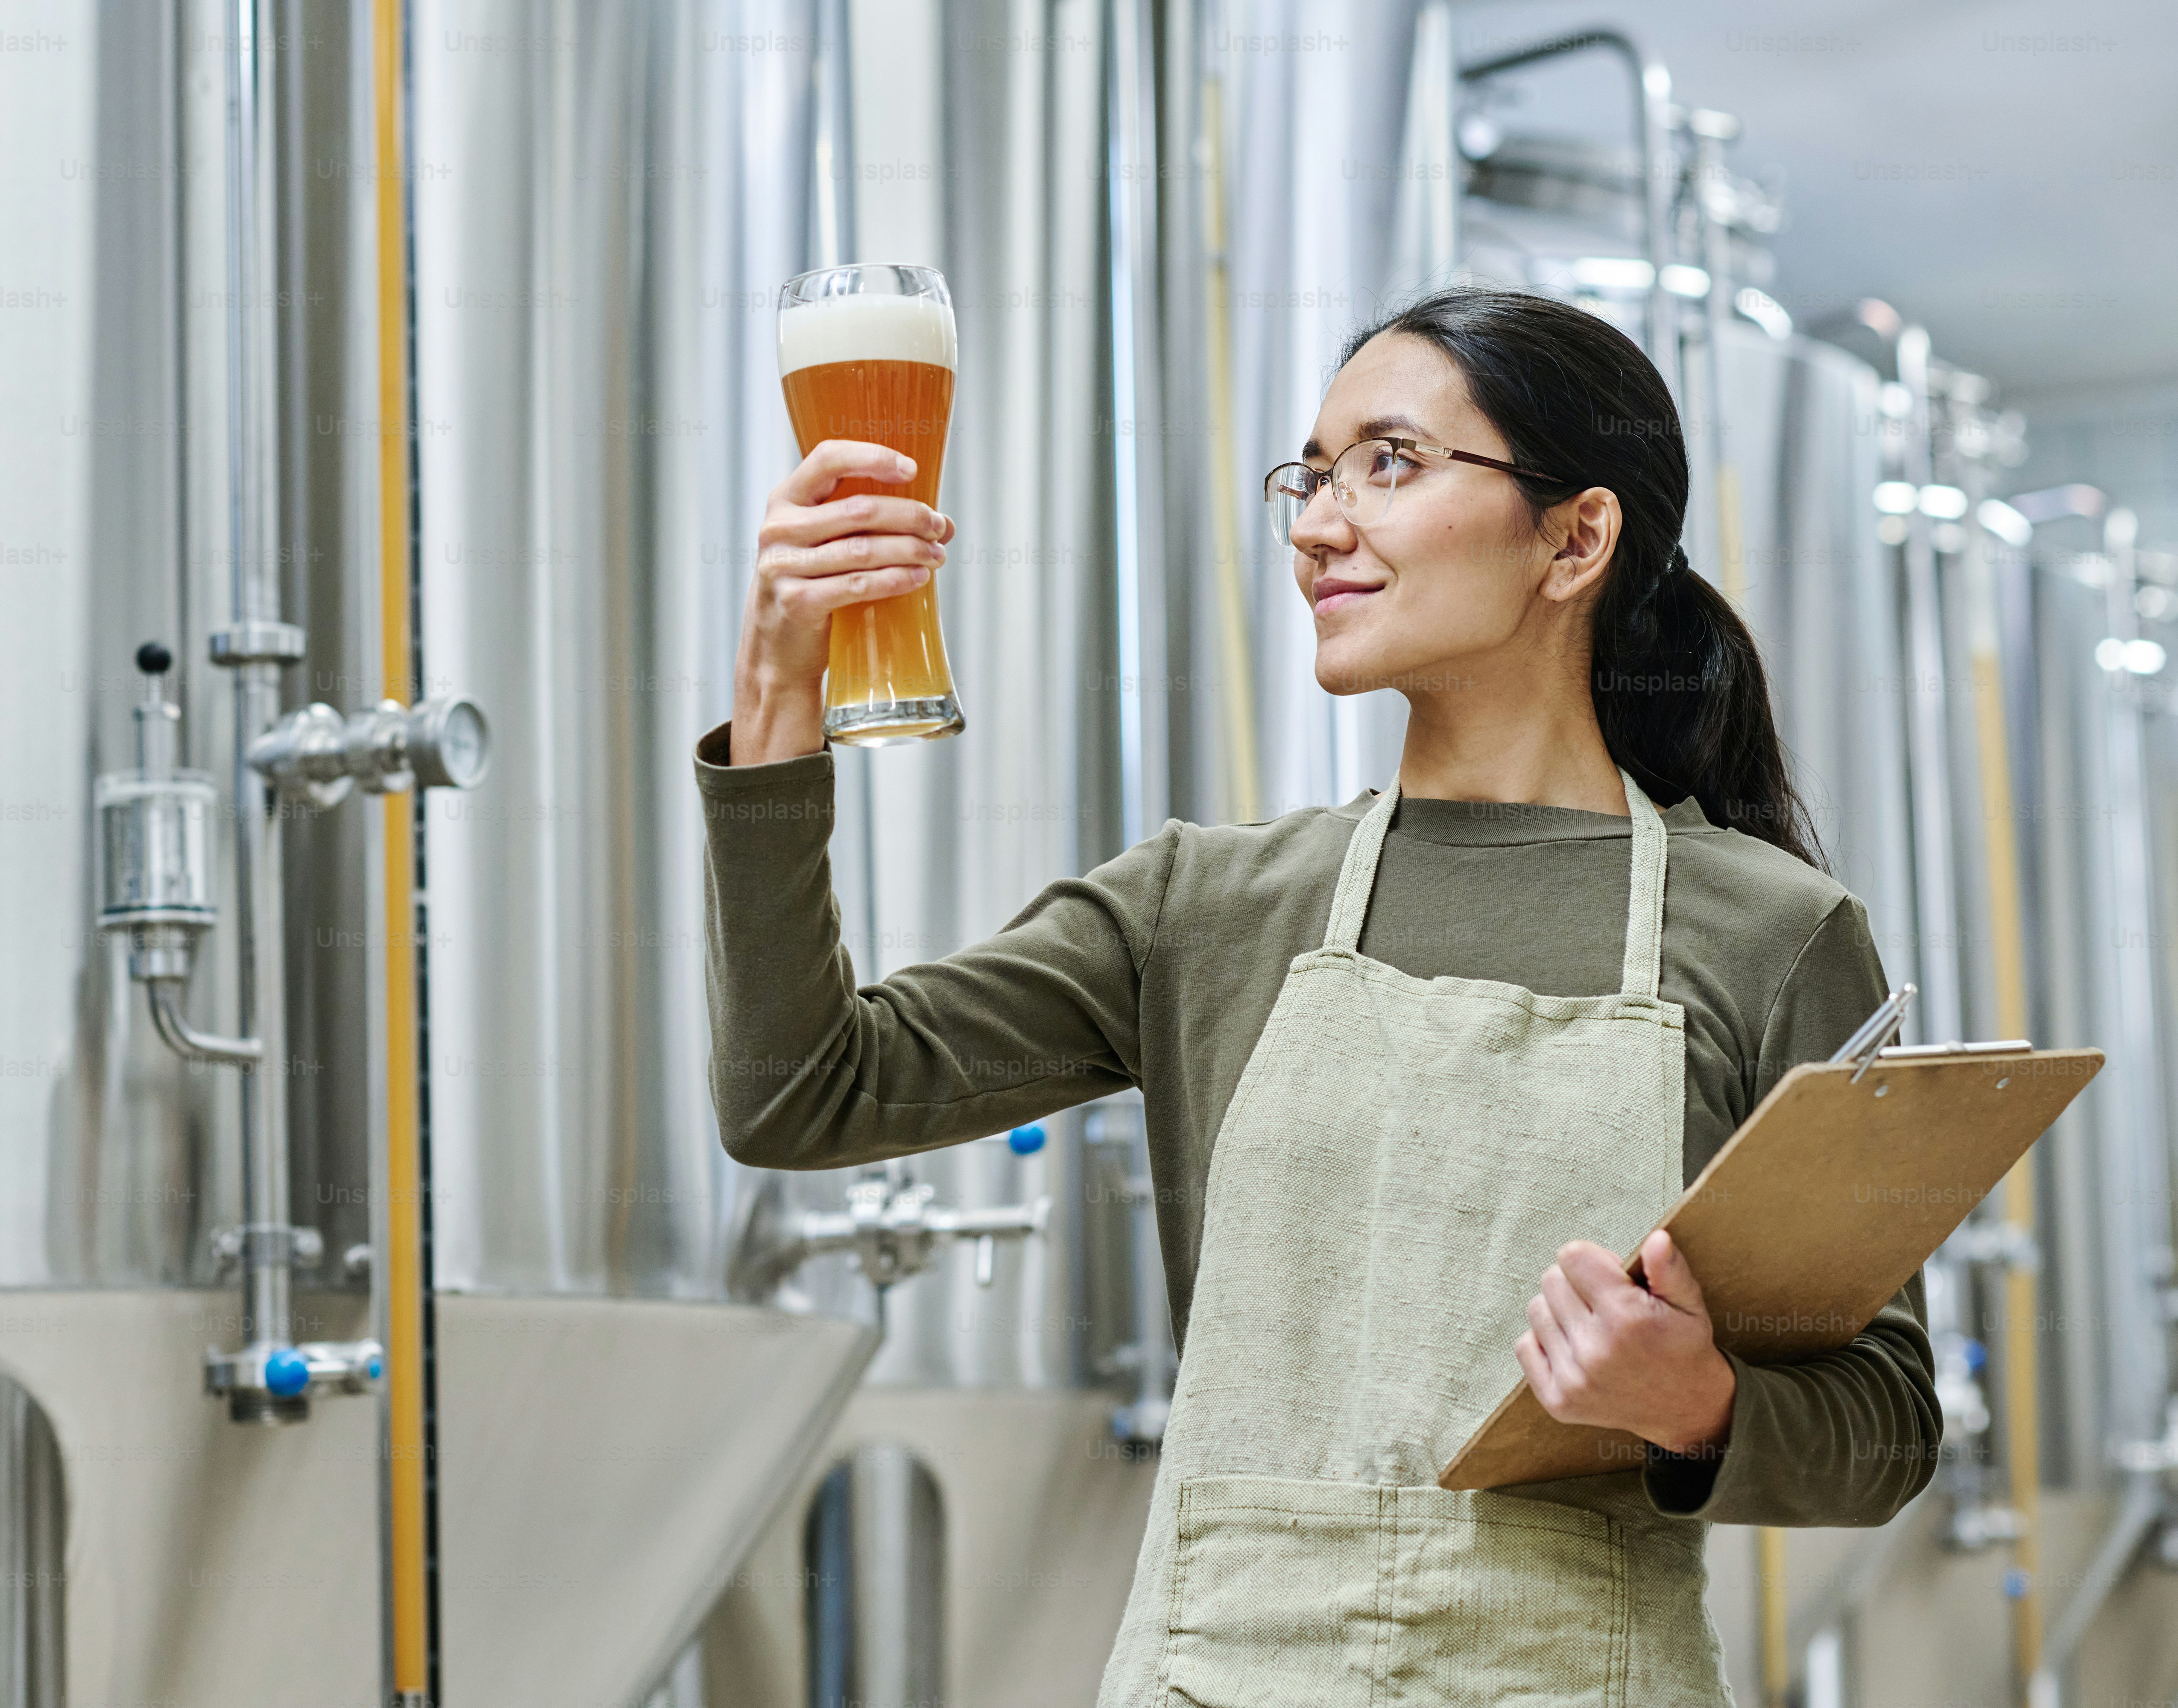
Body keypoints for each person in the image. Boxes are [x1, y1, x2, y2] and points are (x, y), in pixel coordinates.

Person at [696, 285, 1938, 1703]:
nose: (1315, 524)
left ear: (1575, 536)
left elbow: (1888, 1427)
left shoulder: (1770, 932)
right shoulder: (1205, 908)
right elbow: (802, 1095)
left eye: (1390, 463)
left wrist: (1698, 1405)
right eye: (1314, 472)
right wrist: (779, 698)